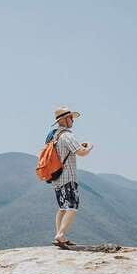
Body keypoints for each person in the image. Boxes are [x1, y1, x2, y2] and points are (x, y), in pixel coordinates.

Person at [47, 106, 93, 247]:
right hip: (68, 176)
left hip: (56, 177)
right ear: (65, 120)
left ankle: (59, 236)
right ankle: (60, 235)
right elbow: (81, 152)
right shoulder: (67, 135)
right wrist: (89, 146)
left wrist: (80, 146)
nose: (73, 120)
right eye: (71, 118)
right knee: (72, 206)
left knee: (62, 207)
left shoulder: (53, 135)